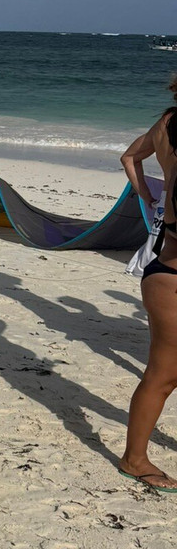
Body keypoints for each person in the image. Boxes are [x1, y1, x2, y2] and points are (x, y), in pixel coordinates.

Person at [119, 75, 177, 493]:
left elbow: (129, 157)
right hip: (172, 277)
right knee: (163, 374)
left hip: (164, 269)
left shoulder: (167, 123)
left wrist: (148, 197)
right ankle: (134, 459)